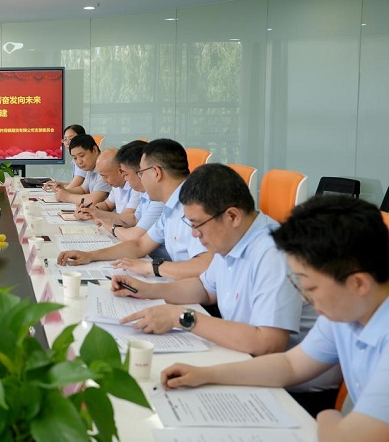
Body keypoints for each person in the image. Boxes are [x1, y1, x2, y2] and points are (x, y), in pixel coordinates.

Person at [112, 164, 341, 414]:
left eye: (198, 224)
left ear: (232, 216)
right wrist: (146, 290)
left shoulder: (272, 252)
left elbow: (268, 344)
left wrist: (183, 318)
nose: (195, 235)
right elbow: (205, 288)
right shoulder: (232, 238)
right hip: (246, 363)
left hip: (291, 394)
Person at [161, 196, 389, 440]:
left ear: (358, 283)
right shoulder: (346, 311)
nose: (305, 296)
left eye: (311, 287)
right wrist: (207, 374)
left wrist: (328, 416)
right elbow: (291, 365)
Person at [57, 138, 211, 279]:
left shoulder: (195, 207)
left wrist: (150, 268)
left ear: (156, 173)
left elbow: (205, 266)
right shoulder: (170, 207)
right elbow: (140, 245)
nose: (136, 179)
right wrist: (90, 255)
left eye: (141, 173)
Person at [75, 147, 141, 227]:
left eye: (105, 176)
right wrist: (91, 209)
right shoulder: (116, 185)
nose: (104, 181)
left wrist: (98, 214)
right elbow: (107, 204)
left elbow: (127, 219)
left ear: (120, 171)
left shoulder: (136, 187)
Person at [51, 134, 111, 206]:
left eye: (82, 156)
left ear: (94, 150)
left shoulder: (105, 167)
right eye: (75, 158)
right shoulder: (91, 167)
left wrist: (67, 196)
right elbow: (83, 189)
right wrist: (65, 190)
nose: (79, 162)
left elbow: (94, 200)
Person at [43, 124, 87, 191]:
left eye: (71, 139)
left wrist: (58, 189)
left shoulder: (83, 159)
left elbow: (75, 185)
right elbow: (76, 184)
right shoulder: (75, 159)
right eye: (65, 139)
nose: (67, 143)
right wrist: (58, 184)